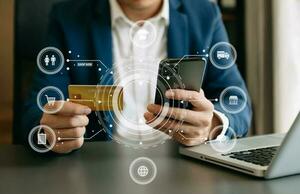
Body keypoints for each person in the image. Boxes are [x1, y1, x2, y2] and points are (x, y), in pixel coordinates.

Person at [23, 0, 252, 154]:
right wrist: (49, 132)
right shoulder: (68, 16)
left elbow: (236, 101)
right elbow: (35, 111)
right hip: (96, 171)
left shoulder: (204, 14)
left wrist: (212, 124)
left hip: (183, 166)